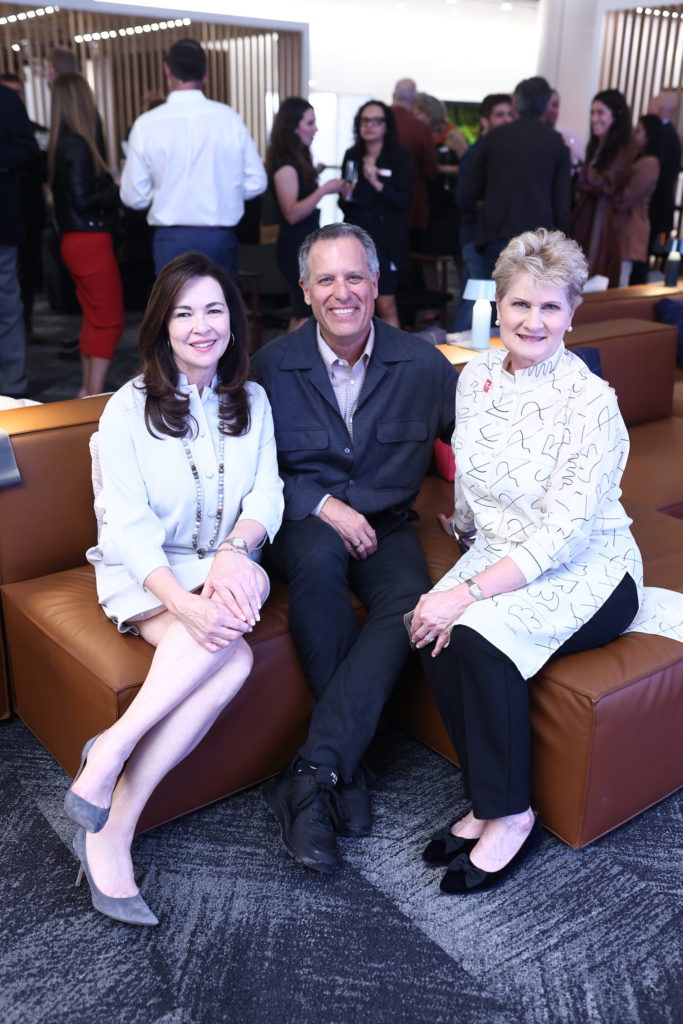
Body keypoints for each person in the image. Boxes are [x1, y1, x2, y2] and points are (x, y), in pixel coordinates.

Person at [408, 228, 642, 895]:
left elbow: (564, 535)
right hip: (499, 549)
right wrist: (464, 534)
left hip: (590, 568)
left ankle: (511, 815)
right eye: (519, 305)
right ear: (498, 306)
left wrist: (470, 593)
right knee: (428, 627)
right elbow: (475, 479)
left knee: (476, 637)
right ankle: (486, 799)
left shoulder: (590, 402)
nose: (531, 321)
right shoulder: (476, 376)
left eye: (548, 307)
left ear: (571, 313)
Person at [64, 251, 284, 925]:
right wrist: (184, 598)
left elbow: (267, 494)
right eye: (184, 312)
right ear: (161, 326)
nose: (201, 326)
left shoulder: (251, 398)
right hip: (145, 570)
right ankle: (115, 786)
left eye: (214, 310)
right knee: (231, 653)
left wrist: (231, 552)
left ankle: (112, 785)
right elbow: (126, 528)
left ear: (233, 321)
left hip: (222, 565)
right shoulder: (125, 412)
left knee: (232, 654)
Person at [252, 223, 457, 874]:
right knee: (315, 559)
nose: (342, 292)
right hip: (303, 521)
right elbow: (252, 470)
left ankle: (318, 771)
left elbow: (476, 446)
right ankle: (350, 768)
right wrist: (321, 502)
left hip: (388, 522)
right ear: (305, 292)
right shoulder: (269, 367)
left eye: (354, 277)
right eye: (326, 279)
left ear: (375, 284)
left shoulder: (424, 366)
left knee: (410, 601)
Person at [120, 38, 267, 276]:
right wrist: (224, 191)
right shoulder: (229, 119)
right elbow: (257, 181)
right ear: (206, 74)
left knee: (174, 311)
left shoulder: (146, 124)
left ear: (166, 68)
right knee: (219, 309)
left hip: (170, 238)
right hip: (219, 236)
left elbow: (134, 197)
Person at [49, 73, 125, 397]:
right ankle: (93, 396)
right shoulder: (78, 144)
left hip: (73, 240)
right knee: (110, 320)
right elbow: (83, 199)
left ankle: (86, 390)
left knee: (94, 319)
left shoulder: (60, 143)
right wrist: (115, 188)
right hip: (89, 240)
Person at [459, 77, 571, 280]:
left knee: (494, 303)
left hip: (496, 236)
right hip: (539, 243)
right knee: (529, 303)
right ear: (546, 105)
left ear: (515, 103)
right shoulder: (556, 143)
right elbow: (562, 204)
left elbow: (468, 193)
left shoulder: (494, 138)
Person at [266, 97, 344, 332]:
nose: (315, 129)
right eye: (310, 123)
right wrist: (323, 190)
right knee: (303, 312)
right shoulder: (286, 167)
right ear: (292, 127)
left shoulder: (297, 161)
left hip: (302, 244)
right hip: (294, 247)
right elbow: (291, 213)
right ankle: (291, 365)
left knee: (303, 311)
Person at [340, 101, 412, 327]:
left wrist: (375, 182)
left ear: (386, 125)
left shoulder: (399, 156)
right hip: (357, 238)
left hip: (388, 240)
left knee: (386, 303)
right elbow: (346, 204)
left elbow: (404, 201)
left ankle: (396, 360)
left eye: (376, 121)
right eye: (365, 120)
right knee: (355, 301)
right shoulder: (352, 155)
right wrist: (345, 195)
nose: (370, 126)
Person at [453, 93, 514, 331]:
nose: (507, 120)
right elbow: (463, 198)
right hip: (475, 239)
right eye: (500, 115)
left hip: (492, 239)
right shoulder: (477, 152)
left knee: (485, 301)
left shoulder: (503, 152)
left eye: (510, 114)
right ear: (485, 120)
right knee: (476, 300)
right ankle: (454, 358)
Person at [0, 82, 38, 398]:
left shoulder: (6, 99)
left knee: (6, 306)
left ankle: (13, 388)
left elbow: (27, 151)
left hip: (2, 224)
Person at [572, 89, 633, 287]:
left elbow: (607, 185)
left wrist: (580, 168)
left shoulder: (622, 150)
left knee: (592, 284)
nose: (594, 118)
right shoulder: (597, 147)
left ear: (616, 116)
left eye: (600, 112)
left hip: (601, 227)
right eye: (592, 112)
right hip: (586, 223)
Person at [615, 114, 662, 286]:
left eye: (639, 131)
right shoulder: (640, 159)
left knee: (622, 278)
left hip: (632, 226)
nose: (635, 135)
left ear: (650, 136)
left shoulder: (650, 163)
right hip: (627, 224)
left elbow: (628, 196)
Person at [391, 78, 439, 246]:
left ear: (393, 96)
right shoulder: (420, 128)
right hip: (411, 206)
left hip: (376, 204)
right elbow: (430, 170)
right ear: (414, 100)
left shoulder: (381, 122)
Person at [646, 92, 682, 255]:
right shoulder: (670, 134)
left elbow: (658, 176)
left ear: (659, 109)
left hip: (655, 207)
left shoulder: (663, 135)